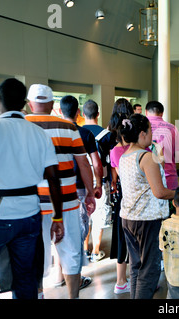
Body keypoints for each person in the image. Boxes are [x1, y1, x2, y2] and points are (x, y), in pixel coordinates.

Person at [0, 78, 63, 299]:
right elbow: (54, 180)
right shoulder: (39, 135)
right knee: (26, 276)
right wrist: (57, 218)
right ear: (23, 103)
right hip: (29, 216)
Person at [26, 84, 96, 299]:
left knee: (35, 254)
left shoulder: (23, 126)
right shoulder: (68, 127)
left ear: (30, 104)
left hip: (32, 203)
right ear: (52, 104)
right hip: (66, 201)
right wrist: (91, 193)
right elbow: (83, 163)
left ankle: (39, 295)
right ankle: (73, 296)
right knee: (71, 252)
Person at [118, 113, 175, 299]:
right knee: (149, 271)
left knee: (136, 267)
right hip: (147, 220)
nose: (152, 134)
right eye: (150, 131)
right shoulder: (146, 157)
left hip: (128, 218)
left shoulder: (125, 156)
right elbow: (159, 192)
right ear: (142, 133)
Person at [60, 96, 104, 264]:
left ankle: (60, 273)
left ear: (59, 111)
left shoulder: (54, 132)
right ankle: (74, 273)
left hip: (57, 189)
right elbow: (96, 163)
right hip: (79, 189)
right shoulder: (85, 134)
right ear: (78, 113)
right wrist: (97, 186)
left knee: (59, 232)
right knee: (78, 230)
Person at [83, 99, 116, 261]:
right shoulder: (106, 135)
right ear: (98, 114)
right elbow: (112, 162)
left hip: (80, 182)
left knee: (84, 215)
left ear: (82, 114)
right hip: (101, 182)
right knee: (99, 215)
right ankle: (96, 251)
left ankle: (84, 249)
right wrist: (114, 181)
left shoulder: (77, 132)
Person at [107, 98, 134, 294]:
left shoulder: (111, 144)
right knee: (135, 237)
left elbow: (112, 175)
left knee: (120, 235)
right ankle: (136, 279)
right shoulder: (136, 147)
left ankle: (120, 280)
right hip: (134, 194)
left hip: (119, 195)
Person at [146, 101, 179, 191]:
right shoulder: (172, 128)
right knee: (169, 203)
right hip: (169, 177)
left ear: (146, 112)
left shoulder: (140, 128)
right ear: (162, 113)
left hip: (146, 179)